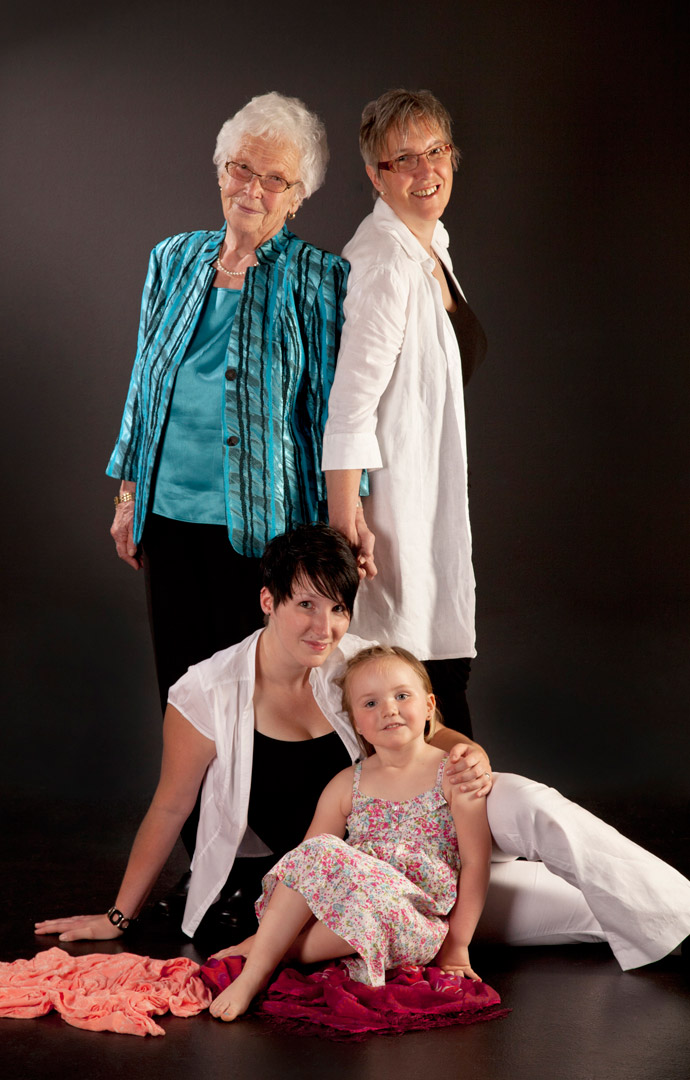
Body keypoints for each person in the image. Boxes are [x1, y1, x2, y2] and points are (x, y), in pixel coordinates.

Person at [34, 526, 489, 945]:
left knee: (517, 840)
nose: (324, 628)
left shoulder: (359, 663)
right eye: (306, 605)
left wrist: (473, 754)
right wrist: (118, 916)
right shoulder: (206, 691)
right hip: (309, 881)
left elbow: (431, 731)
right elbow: (171, 806)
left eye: (338, 608)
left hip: (403, 854)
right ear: (268, 601)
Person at [107, 92, 350, 719]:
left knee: (258, 702)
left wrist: (343, 523)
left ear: (298, 196)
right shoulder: (172, 259)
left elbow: (336, 411)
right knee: (184, 694)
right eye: (241, 168)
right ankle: (190, 793)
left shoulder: (319, 277)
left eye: (275, 179)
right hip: (167, 517)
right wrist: (128, 498)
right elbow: (143, 386)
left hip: (267, 528)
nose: (253, 189)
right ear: (221, 170)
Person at [209, 645, 492, 1022]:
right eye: (371, 703)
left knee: (353, 897)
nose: (389, 709)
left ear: (428, 706)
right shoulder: (347, 783)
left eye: (402, 696)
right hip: (354, 908)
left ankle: (270, 952)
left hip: (414, 920)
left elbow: (475, 862)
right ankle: (255, 972)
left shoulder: (454, 775)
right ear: (357, 722)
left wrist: (457, 946)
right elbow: (303, 867)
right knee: (318, 849)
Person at [323, 88, 487, 733]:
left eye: (436, 151)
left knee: (431, 684)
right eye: (404, 159)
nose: (426, 170)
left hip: (427, 502)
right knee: (412, 688)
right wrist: (346, 528)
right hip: (393, 520)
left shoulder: (429, 244)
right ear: (376, 175)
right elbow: (348, 408)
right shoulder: (385, 263)